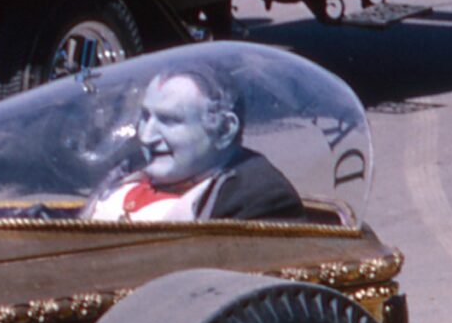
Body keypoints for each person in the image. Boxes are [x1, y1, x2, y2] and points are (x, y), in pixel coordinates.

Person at [86, 65, 304, 222]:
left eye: (169, 120)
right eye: (145, 116)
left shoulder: (257, 199)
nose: (146, 135)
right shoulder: (127, 171)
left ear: (224, 130)